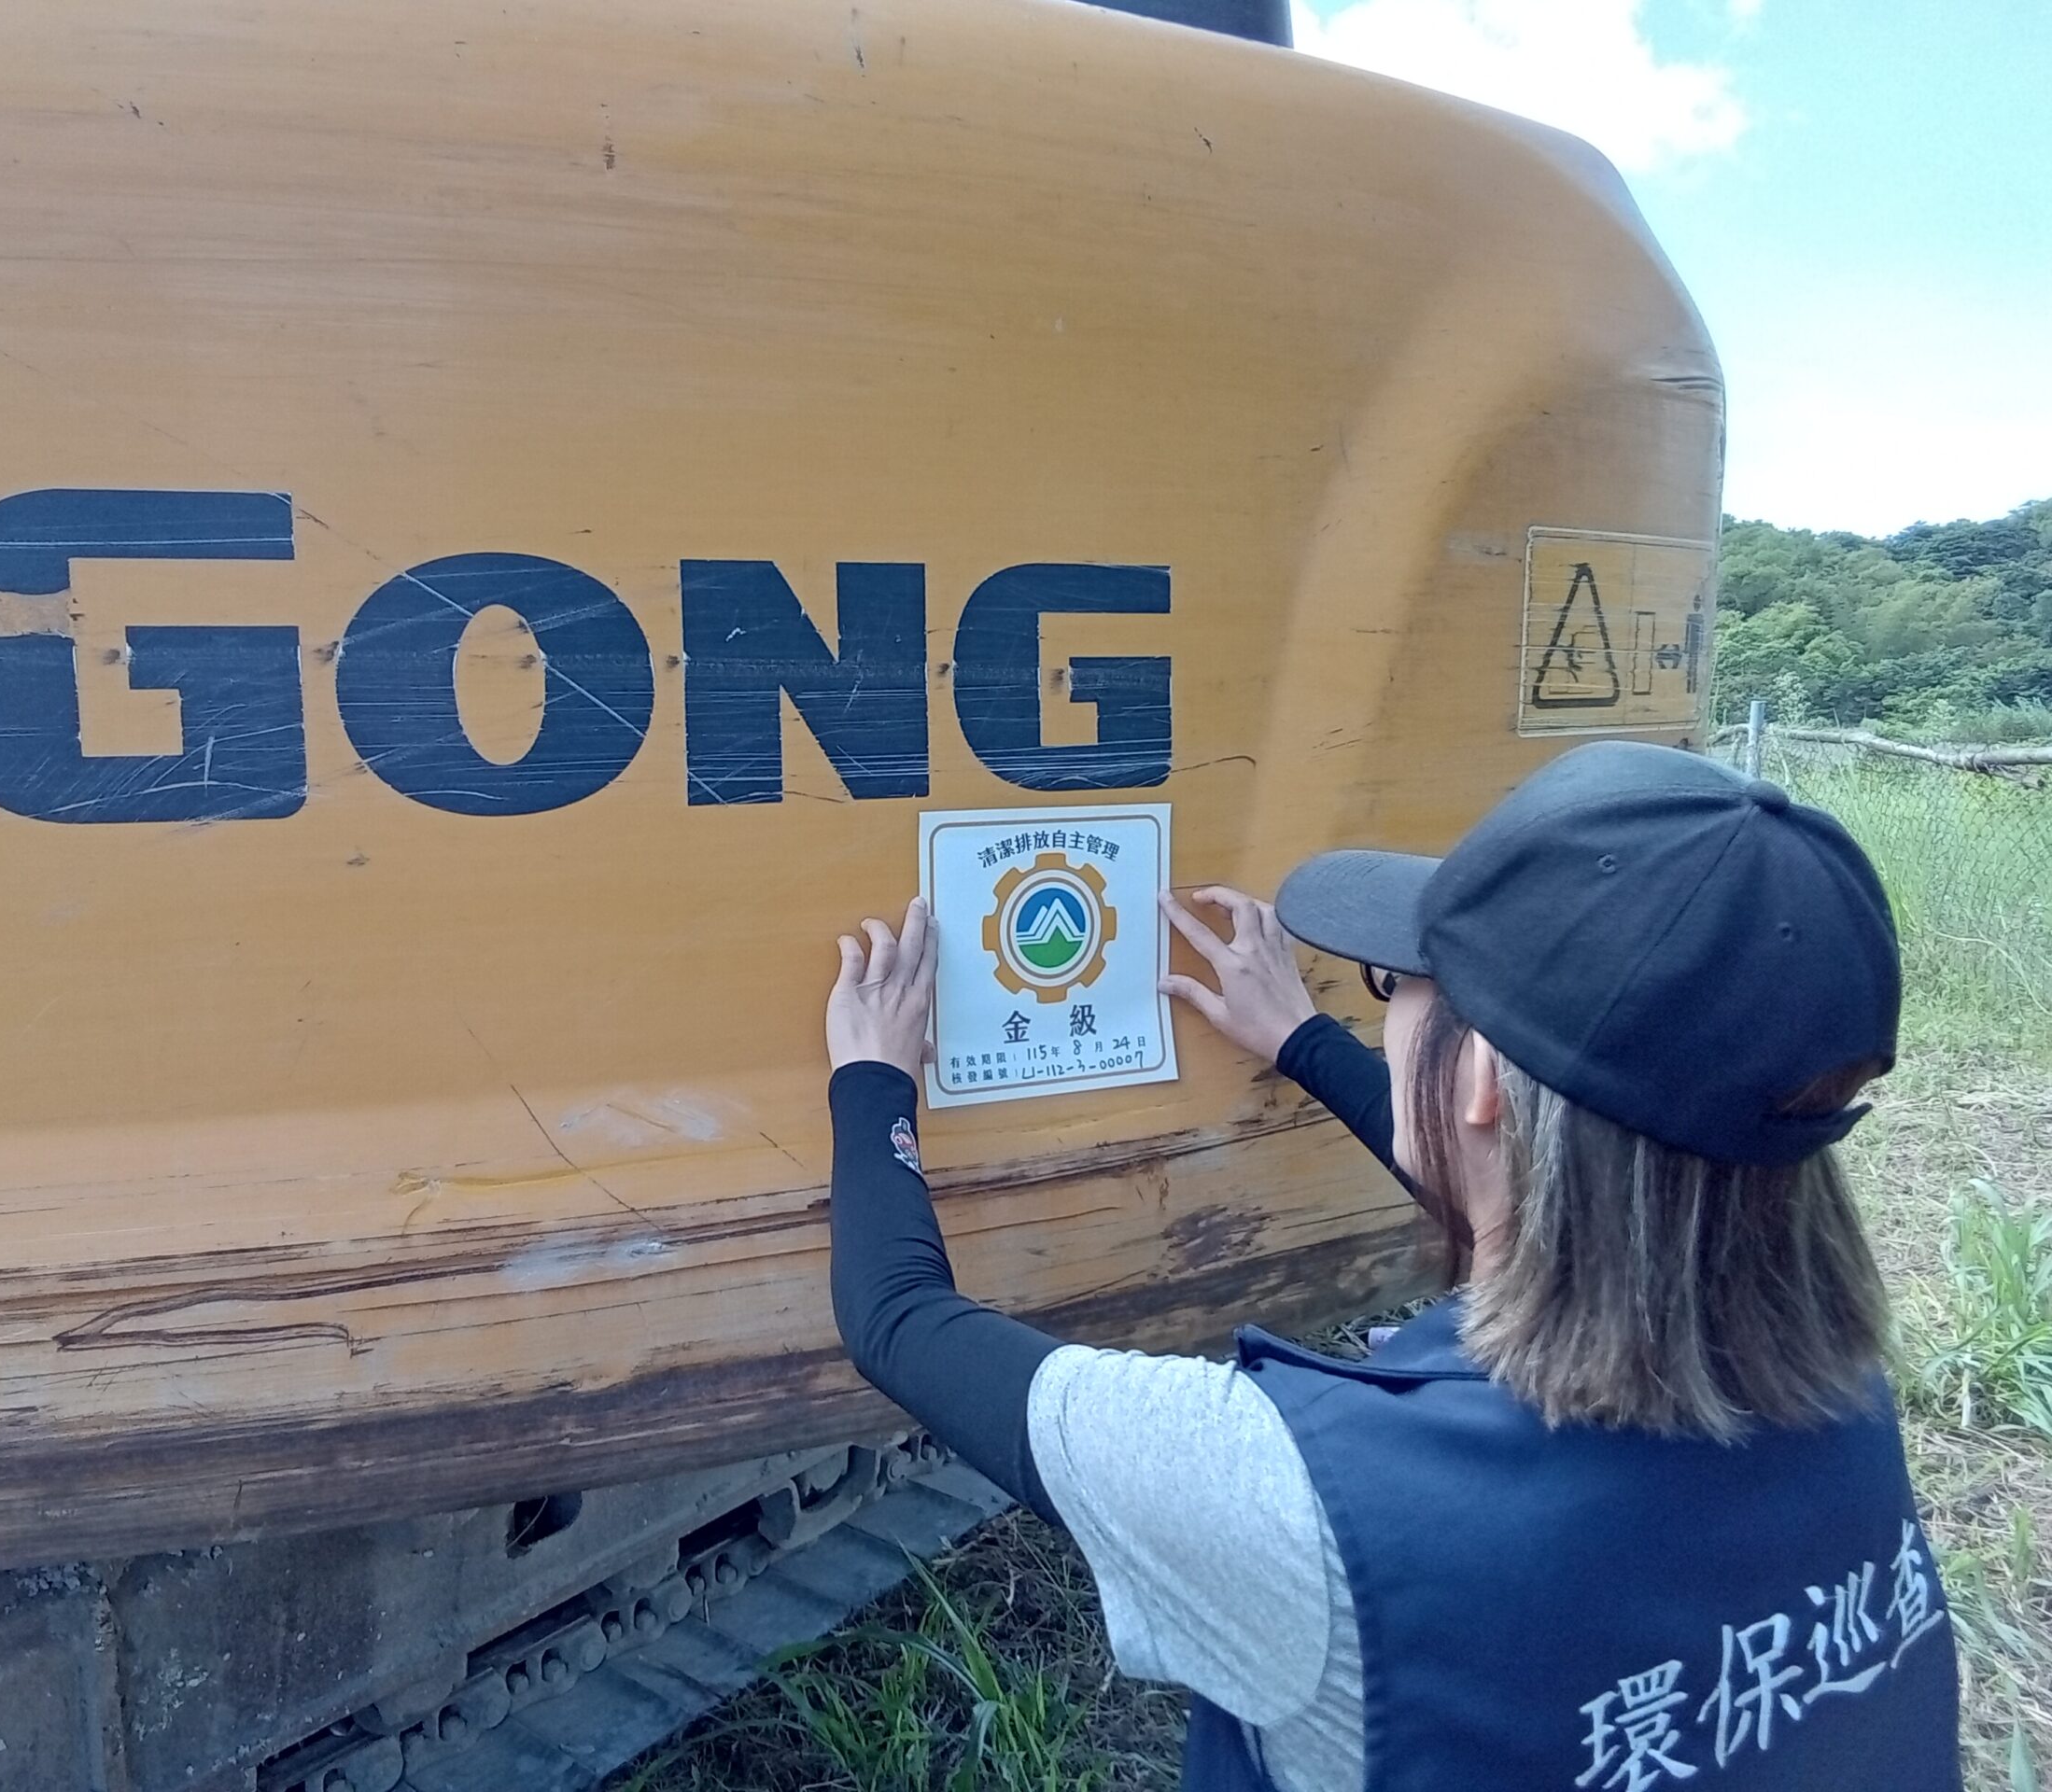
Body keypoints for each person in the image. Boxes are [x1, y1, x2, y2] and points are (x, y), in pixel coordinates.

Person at [821, 740, 1961, 1792]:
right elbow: (1563, 1184)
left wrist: (873, 1078)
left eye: (1395, 984)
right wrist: (1303, 1040)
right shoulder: (1834, 1393)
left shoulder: (1292, 1498)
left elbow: (896, 1318)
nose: (1386, 1010)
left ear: (1480, 1085)